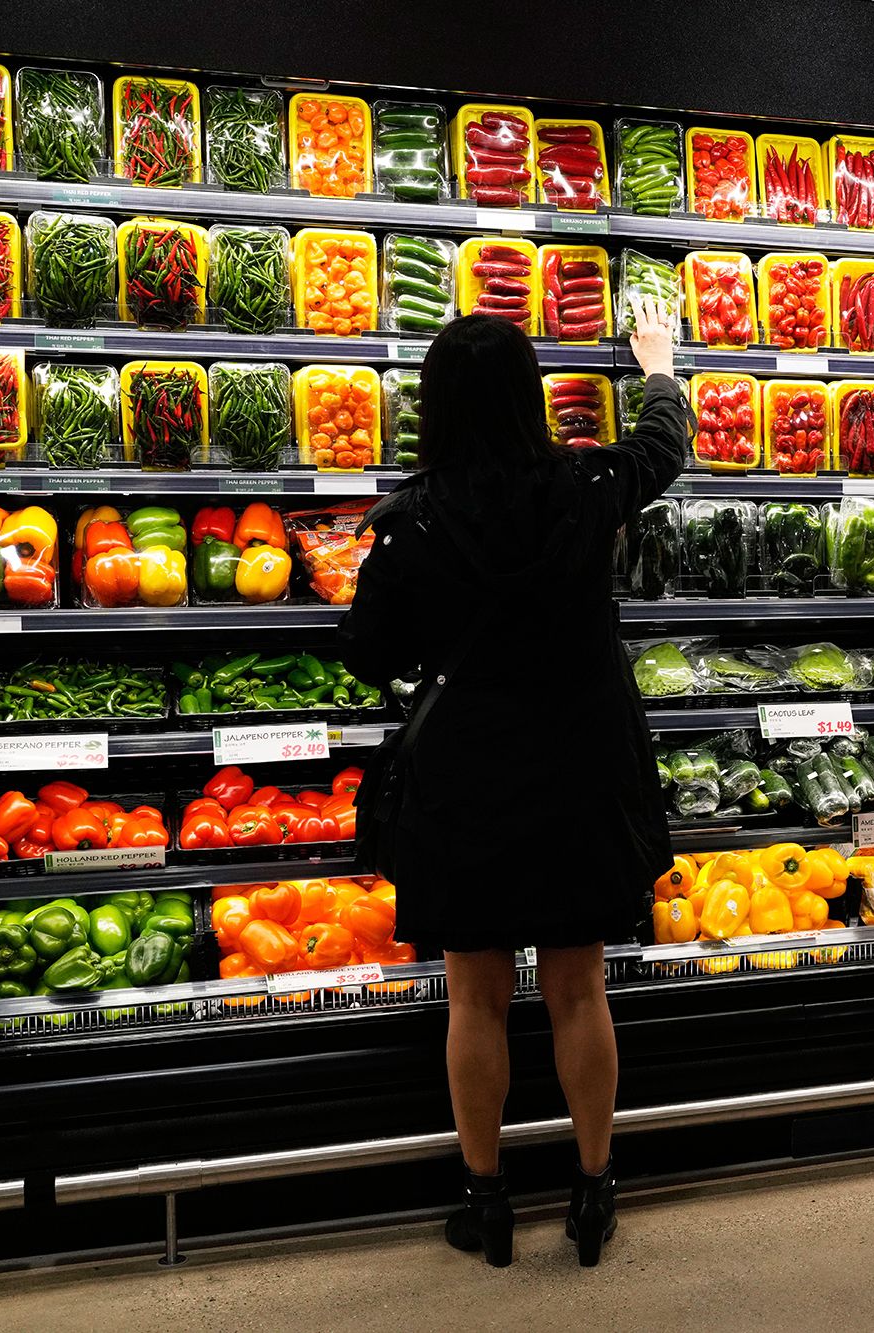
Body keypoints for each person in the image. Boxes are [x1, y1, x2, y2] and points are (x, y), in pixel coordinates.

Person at [338, 297, 688, 1266]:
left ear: (433, 410)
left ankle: (486, 1202)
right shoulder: (585, 486)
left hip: (467, 784)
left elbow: (367, 650)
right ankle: (591, 1189)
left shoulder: (409, 525)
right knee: (579, 989)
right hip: (579, 769)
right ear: (531, 398)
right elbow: (663, 447)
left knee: (474, 997)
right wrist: (656, 364)